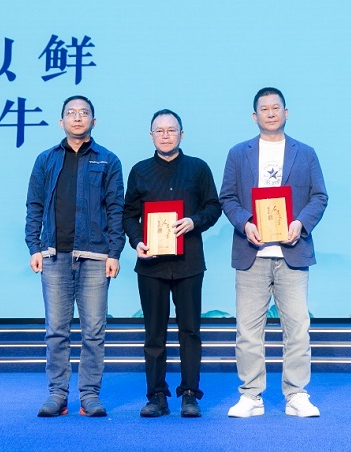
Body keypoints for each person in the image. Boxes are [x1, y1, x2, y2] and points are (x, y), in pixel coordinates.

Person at [219, 87, 328, 418]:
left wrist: (301, 224)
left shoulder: (305, 153)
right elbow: (227, 198)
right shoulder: (238, 153)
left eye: (275, 107)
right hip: (251, 253)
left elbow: (319, 196)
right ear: (254, 116)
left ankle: (296, 394)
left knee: (297, 328)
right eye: (264, 109)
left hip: (292, 253)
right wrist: (245, 223)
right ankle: (251, 395)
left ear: (286, 112)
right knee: (248, 331)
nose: (270, 113)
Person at [25, 95, 124, 418]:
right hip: (54, 256)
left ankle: (90, 395)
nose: (77, 117)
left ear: (94, 121)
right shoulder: (46, 160)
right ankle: (57, 394)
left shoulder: (108, 160)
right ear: (61, 122)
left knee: (94, 331)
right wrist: (34, 247)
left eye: (84, 113)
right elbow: (34, 205)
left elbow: (116, 210)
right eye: (71, 113)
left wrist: (114, 253)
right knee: (56, 330)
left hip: (95, 257)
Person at [123, 109, 222, 418]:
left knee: (190, 331)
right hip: (150, 265)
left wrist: (194, 221)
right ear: (151, 135)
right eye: (159, 130)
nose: (165, 135)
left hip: (189, 263)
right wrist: (136, 241)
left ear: (182, 134)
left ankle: (190, 394)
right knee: (154, 333)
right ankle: (156, 396)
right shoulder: (139, 171)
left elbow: (214, 207)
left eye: (171, 130)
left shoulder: (198, 168)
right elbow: (128, 214)